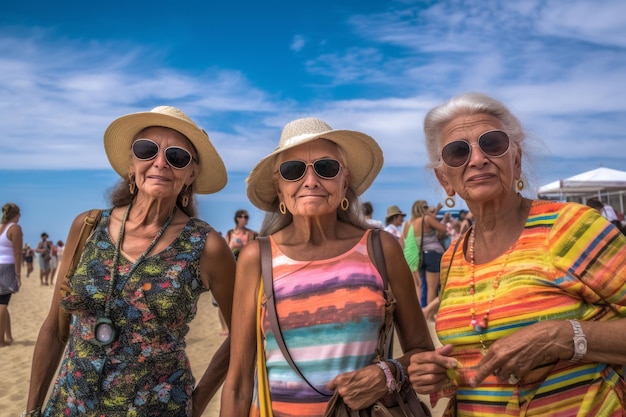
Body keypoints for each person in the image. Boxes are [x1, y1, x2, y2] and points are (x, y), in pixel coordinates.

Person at [408, 92, 626, 416]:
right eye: (458, 152)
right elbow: (477, 357)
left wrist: (566, 335)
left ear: (516, 159)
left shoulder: (569, 227)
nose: (478, 159)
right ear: (444, 179)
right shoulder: (452, 255)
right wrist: (438, 372)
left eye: (492, 144)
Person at [23, 106, 236, 417]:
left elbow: (242, 336)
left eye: (177, 157)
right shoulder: (88, 226)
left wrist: (196, 401)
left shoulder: (206, 245)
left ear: (191, 174)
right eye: (147, 150)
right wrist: (31, 410)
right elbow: (54, 329)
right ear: (131, 164)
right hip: (70, 407)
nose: (160, 162)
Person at [220, 117, 434, 416]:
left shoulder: (381, 249)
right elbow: (239, 383)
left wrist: (386, 374)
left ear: (344, 181)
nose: (310, 181)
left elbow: (423, 352)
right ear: (279, 187)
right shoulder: (257, 258)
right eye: (293, 170)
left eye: (326, 168)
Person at [218, 209, 258, 335]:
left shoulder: (252, 234)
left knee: (247, 298)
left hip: (246, 270)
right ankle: (225, 327)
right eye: (241, 216)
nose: (244, 218)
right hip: (230, 269)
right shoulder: (230, 234)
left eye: (246, 216)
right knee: (224, 299)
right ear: (236, 218)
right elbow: (224, 250)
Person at [0, 203, 22, 347]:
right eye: (19, 214)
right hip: (8, 267)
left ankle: (9, 336)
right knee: (2, 304)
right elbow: (18, 252)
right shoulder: (15, 228)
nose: (20, 217)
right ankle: (1, 341)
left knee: (2, 302)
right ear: (15, 214)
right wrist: (18, 273)